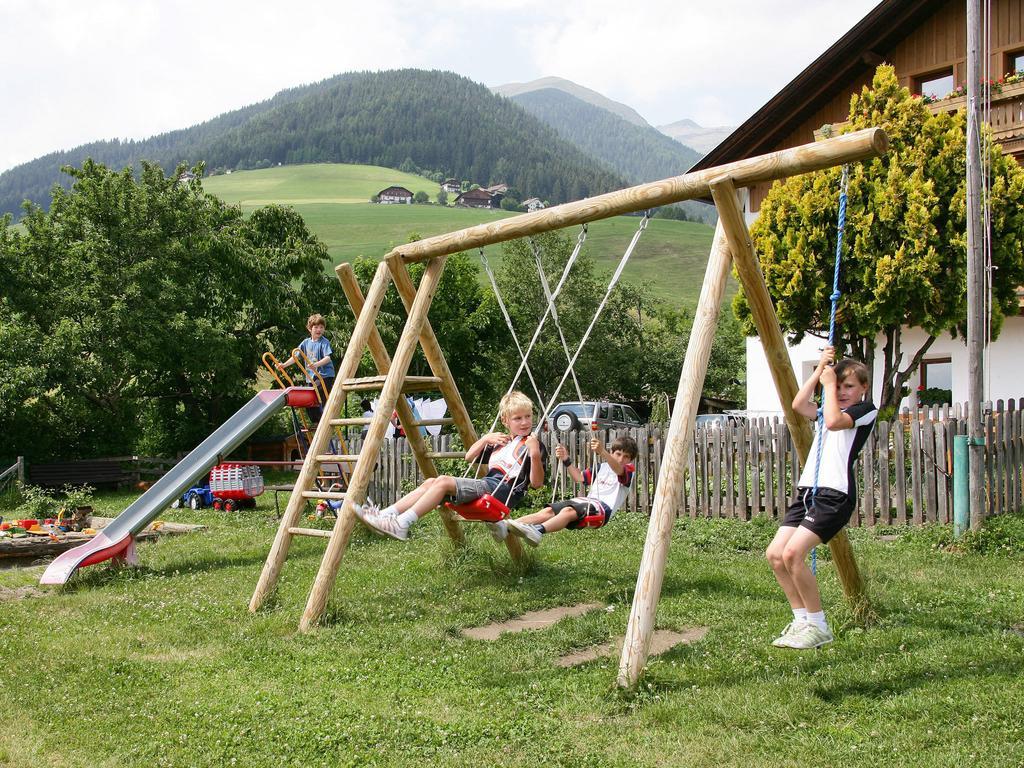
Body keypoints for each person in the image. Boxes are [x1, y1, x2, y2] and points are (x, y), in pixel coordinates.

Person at [765, 346, 876, 650]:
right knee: (775, 555)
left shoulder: (865, 411)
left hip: (834, 495)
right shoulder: (828, 407)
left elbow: (833, 422)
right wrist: (819, 370)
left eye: (848, 386)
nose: (841, 391)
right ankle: (801, 620)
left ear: (863, 388)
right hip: (808, 492)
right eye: (838, 385)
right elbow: (799, 404)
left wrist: (828, 386)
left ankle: (819, 625)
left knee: (792, 555)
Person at [355, 391, 547, 541]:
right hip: (487, 485)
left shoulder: (533, 444)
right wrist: (485, 439)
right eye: (518, 418)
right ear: (505, 421)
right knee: (431, 482)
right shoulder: (500, 442)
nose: (524, 422)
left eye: (528, 416)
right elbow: (470, 457)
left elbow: (537, 483)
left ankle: (402, 523)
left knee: (443, 481)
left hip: (501, 492)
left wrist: (535, 454)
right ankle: (385, 515)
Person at [504, 435, 638, 546]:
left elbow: (619, 470)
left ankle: (537, 531)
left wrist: (602, 452)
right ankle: (505, 527)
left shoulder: (629, 471)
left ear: (631, 460)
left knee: (568, 511)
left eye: (626, 457)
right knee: (548, 511)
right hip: (586, 501)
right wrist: (566, 460)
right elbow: (579, 477)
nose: (621, 459)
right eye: (618, 454)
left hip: (602, 509)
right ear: (613, 452)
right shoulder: (601, 467)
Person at [278, 314, 335, 422]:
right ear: (310, 329)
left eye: (321, 327)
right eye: (316, 327)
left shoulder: (324, 342)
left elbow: (328, 358)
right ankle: (316, 421)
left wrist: (316, 365)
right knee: (309, 399)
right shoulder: (306, 343)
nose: (319, 330)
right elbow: (295, 357)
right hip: (311, 377)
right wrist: (284, 365)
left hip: (324, 376)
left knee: (317, 396)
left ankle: (321, 420)